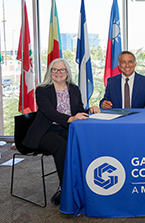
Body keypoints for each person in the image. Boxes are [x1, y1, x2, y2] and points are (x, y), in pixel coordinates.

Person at [22, 58, 101, 205]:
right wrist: (71, 119)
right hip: (45, 131)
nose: (58, 72)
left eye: (62, 69)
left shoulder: (74, 88)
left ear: (67, 72)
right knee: (62, 146)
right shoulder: (42, 90)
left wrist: (89, 110)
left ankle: (83, 184)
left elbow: (78, 111)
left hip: (65, 128)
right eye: (55, 69)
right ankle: (65, 188)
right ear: (50, 72)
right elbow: (49, 112)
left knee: (79, 144)